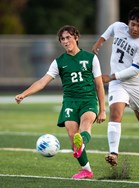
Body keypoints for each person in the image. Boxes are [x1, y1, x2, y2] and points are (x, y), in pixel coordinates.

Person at [15, 25, 106, 179]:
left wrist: (103, 110)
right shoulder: (59, 62)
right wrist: (24, 94)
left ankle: (81, 141)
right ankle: (87, 170)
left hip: (88, 99)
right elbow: (43, 82)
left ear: (76, 37)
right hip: (70, 102)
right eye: (62, 39)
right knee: (72, 135)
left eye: (68, 37)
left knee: (86, 124)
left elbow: (99, 85)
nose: (65, 41)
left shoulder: (91, 58)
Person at [92, 6, 139, 167]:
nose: (134, 28)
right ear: (128, 22)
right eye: (132, 24)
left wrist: (110, 76)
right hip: (118, 83)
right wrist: (99, 42)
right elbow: (111, 29)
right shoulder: (119, 27)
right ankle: (113, 153)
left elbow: (134, 70)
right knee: (115, 112)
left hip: (138, 85)